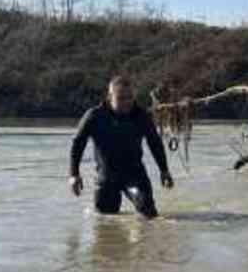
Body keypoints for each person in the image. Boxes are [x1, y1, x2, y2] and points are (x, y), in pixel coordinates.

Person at [69, 76, 174, 217]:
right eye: (121, 98)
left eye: (130, 97)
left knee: (148, 212)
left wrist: (164, 170)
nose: (127, 102)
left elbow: (154, 142)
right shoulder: (94, 116)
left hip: (134, 175)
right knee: (106, 222)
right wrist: (74, 174)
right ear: (110, 97)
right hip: (107, 177)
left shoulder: (141, 116)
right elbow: (77, 143)